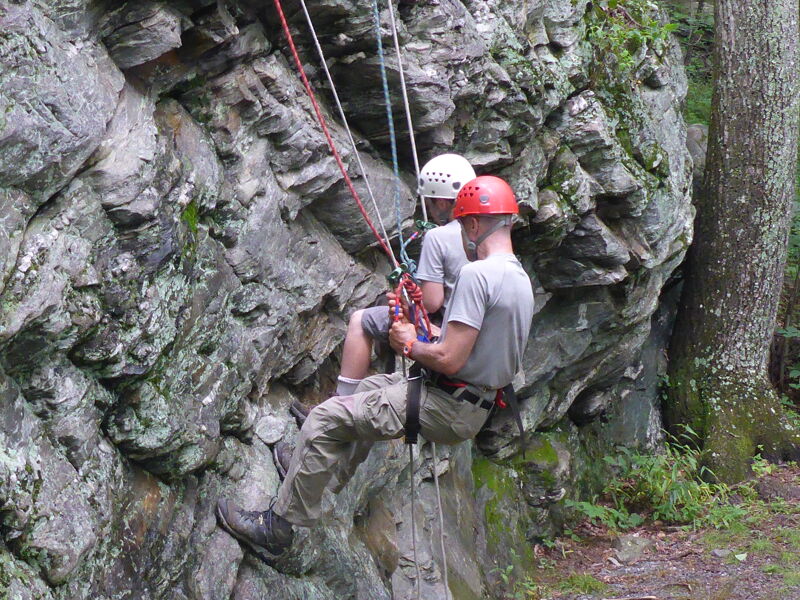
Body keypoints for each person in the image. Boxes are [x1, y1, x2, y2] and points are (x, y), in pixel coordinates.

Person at [216, 175, 535, 564]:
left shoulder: (477, 274)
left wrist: (408, 344)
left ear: (471, 224)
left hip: (446, 400)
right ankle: (316, 477)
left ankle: (278, 528)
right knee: (367, 393)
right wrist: (422, 335)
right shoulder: (519, 278)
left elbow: (449, 358)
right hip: (468, 403)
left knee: (323, 419)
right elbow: (472, 347)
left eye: (461, 223)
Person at [334, 153, 476, 397]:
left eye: (430, 202)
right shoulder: (482, 232)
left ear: (442, 203)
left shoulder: (438, 237)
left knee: (361, 320)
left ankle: (339, 404)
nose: (430, 209)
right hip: (473, 333)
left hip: (444, 332)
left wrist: (409, 291)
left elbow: (431, 302)